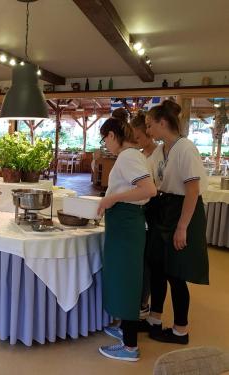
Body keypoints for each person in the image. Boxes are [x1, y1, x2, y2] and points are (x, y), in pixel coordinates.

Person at [141, 99, 209, 345]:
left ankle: (181, 330)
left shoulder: (185, 148)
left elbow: (192, 191)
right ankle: (155, 319)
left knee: (176, 273)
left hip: (184, 211)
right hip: (164, 208)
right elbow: (147, 177)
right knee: (158, 268)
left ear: (163, 122)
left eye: (150, 126)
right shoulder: (161, 150)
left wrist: (182, 228)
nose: (148, 131)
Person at [97, 117, 157, 362]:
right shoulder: (132, 155)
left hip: (127, 224)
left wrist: (112, 199)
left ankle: (130, 347)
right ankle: (124, 330)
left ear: (112, 135)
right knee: (123, 277)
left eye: (104, 139)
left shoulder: (128, 156)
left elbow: (148, 190)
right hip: (125, 224)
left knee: (127, 280)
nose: (105, 144)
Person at [131, 111, 158, 318]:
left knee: (147, 260)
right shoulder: (141, 155)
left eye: (139, 137)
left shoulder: (158, 155)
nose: (137, 141)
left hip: (153, 209)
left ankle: (144, 303)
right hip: (141, 209)